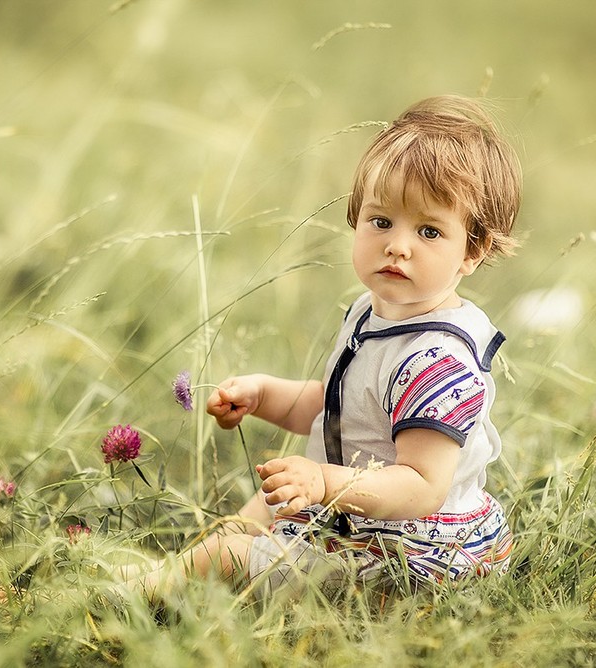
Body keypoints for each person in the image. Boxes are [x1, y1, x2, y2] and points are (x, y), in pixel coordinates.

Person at [139, 94, 521, 599]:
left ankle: (135, 595)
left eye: (429, 231)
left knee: (235, 549)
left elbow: (422, 484)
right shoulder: (371, 312)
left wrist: (324, 482)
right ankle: (181, 575)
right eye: (381, 221)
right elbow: (339, 409)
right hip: (361, 514)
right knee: (263, 507)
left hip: (416, 552)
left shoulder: (439, 360)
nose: (397, 245)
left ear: (472, 252)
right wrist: (263, 395)